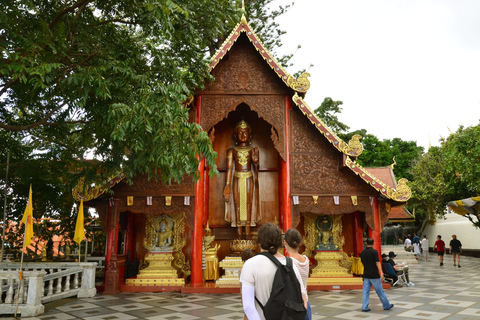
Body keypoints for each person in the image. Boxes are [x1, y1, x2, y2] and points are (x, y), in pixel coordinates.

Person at [240, 222, 307, 320]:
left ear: (259, 242)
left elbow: (248, 306)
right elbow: (303, 299)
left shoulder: (251, 264)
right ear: (280, 242)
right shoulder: (290, 264)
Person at [224, 120, 261, 236]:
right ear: (236, 136)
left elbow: (256, 168)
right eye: (240, 133)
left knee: (249, 205)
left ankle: (248, 235)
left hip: (249, 177)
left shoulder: (253, 150)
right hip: (237, 178)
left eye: (245, 133)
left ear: (250, 136)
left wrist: (255, 163)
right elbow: (229, 168)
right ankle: (239, 234)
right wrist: (227, 185)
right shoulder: (231, 151)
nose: (243, 135)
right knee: (237, 205)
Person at [360, 238, 394, 312]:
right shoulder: (374, 252)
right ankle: (386, 305)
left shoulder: (362, 252)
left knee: (365, 291)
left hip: (366, 274)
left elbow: (362, 262)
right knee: (380, 291)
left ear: (366, 243)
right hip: (374, 274)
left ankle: (364, 306)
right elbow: (377, 262)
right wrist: (381, 272)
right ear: (373, 243)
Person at [284, 228, 311, 320]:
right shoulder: (305, 259)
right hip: (306, 302)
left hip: (294, 305)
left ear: (285, 243)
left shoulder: (288, 262)